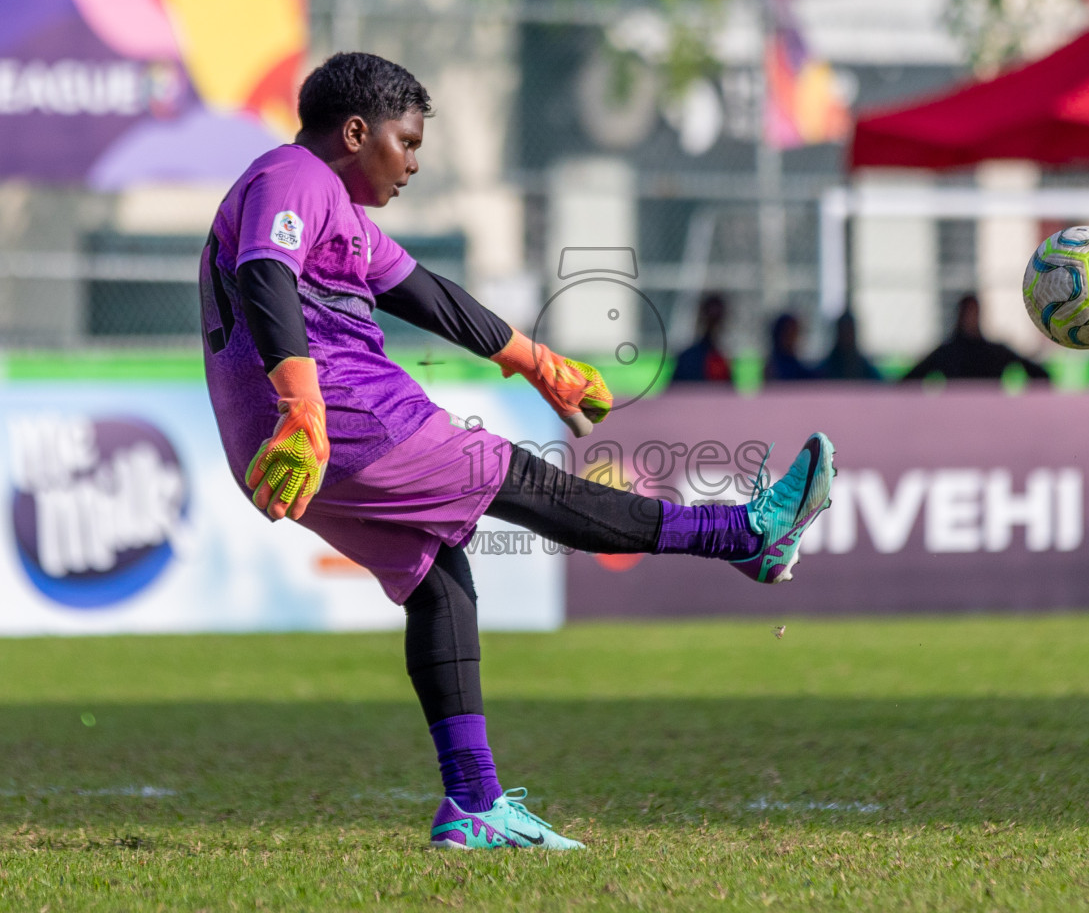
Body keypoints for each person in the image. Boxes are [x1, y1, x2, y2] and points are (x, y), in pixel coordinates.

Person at [199, 53, 838, 851]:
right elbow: (265, 274)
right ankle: (741, 536)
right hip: (340, 420)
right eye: (405, 140)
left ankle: (474, 806)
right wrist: (303, 405)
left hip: (295, 443)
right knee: (525, 480)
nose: (414, 160)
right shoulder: (295, 178)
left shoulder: (337, 212)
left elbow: (428, 294)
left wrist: (537, 361)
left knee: (440, 588)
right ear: (356, 132)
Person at [903, 294, 1050, 383]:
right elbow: (910, 379)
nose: (971, 319)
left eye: (974, 314)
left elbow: (1039, 374)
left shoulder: (995, 353)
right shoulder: (948, 353)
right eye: (968, 314)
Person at [669, 294, 734, 385]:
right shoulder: (687, 358)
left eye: (715, 318)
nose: (713, 324)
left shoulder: (724, 358)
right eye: (711, 317)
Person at [816, 310, 882, 381]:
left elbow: (879, 382)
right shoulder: (827, 368)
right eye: (843, 331)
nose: (847, 336)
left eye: (849, 332)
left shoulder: (863, 366)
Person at [762, 312, 818, 382]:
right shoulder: (773, 368)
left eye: (796, 331)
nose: (795, 336)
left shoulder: (795, 364)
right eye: (789, 332)